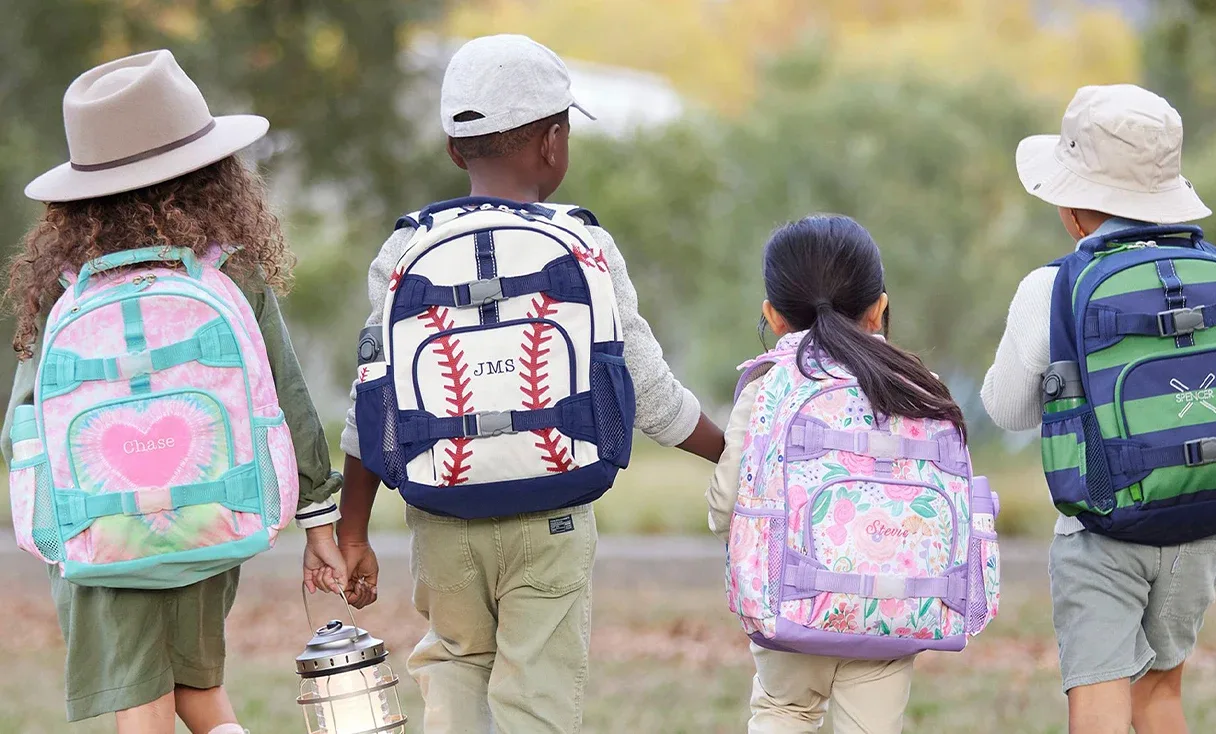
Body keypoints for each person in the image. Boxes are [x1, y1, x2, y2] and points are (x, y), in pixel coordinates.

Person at [328, 34, 725, 733]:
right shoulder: (586, 245)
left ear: (455, 149)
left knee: (452, 664)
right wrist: (733, 454)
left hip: (443, 515)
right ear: (554, 141)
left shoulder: (403, 250)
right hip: (555, 513)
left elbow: (373, 402)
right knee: (536, 692)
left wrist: (352, 530)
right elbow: (651, 395)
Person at [3, 50, 346, 734]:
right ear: (212, 174)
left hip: (101, 535)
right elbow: (288, 397)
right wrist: (320, 524)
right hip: (207, 514)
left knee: (145, 710)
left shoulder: (63, 285)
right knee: (200, 695)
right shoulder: (229, 270)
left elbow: (26, 421)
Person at [981, 84, 1216, 734]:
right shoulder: (1213, 270)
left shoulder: (1053, 286)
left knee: (1099, 701)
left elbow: (1006, 409)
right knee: (1160, 695)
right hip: (1205, 520)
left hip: (1104, 528)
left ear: (1070, 208)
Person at [708, 214, 970, 734]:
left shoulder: (768, 385)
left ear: (773, 316)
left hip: (789, 603)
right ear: (879, 308)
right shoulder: (917, 387)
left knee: (784, 711)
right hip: (893, 605)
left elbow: (725, 509)